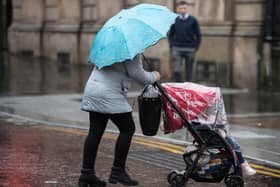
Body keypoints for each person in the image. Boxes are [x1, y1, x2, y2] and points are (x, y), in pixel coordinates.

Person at [79, 55, 160, 187]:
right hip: (109, 93)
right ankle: (118, 171)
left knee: (95, 131)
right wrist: (154, 76)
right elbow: (138, 75)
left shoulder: (107, 47)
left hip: (93, 89)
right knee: (127, 129)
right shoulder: (130, 52)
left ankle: (86, 174)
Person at [168, 0, 201, 82]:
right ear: (178, 9)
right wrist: (172, 45)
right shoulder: (175, 20)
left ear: (187, 9)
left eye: (184, 8)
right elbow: (170, 34)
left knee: (189, 71)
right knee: (176, 70)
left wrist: (195, 47)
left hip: (190, 48)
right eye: (180, 8)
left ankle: (188, 87)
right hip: (177, 48)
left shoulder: (193, 20)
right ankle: (178, 86)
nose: (182, 10)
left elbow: (198, 34)